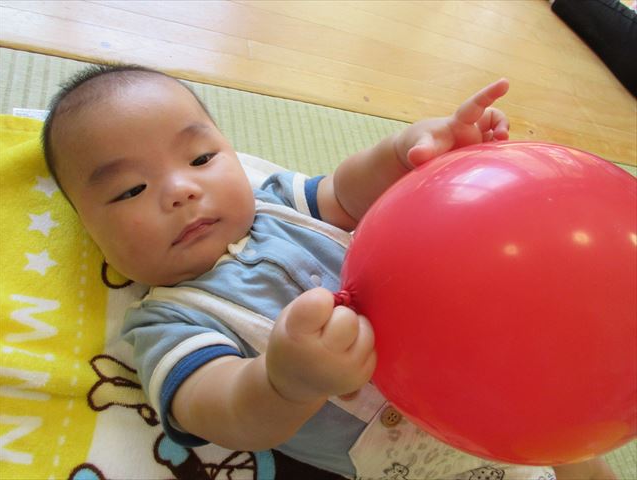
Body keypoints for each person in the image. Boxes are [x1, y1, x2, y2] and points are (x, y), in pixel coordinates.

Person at [41, 64, 617, 480]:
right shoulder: (168, 322)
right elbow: (225, 409)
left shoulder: (275, 203)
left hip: (480, 378)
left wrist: (407, 149)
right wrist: (283, 382)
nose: (180, 189)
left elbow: (347, 192)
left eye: (200, 158)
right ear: (90, 231)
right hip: (403, 462)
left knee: (571, 443)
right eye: (131, 190)